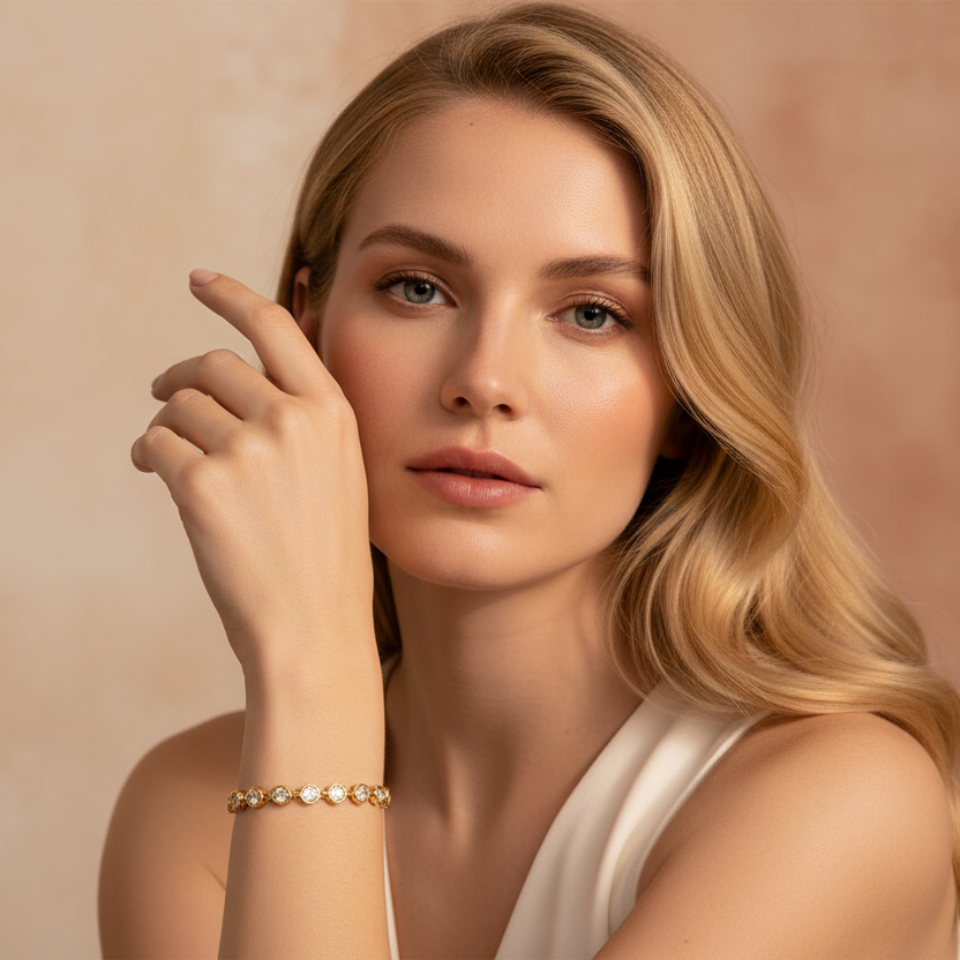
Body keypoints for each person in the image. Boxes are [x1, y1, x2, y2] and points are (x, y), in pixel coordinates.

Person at [99, 4, 960, 958]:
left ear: (687, 398)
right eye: (418, 288)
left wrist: (311, 668)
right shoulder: (187, 813)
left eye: (591, 313)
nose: (485, 380)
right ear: (307, 328)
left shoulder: (838, 800)